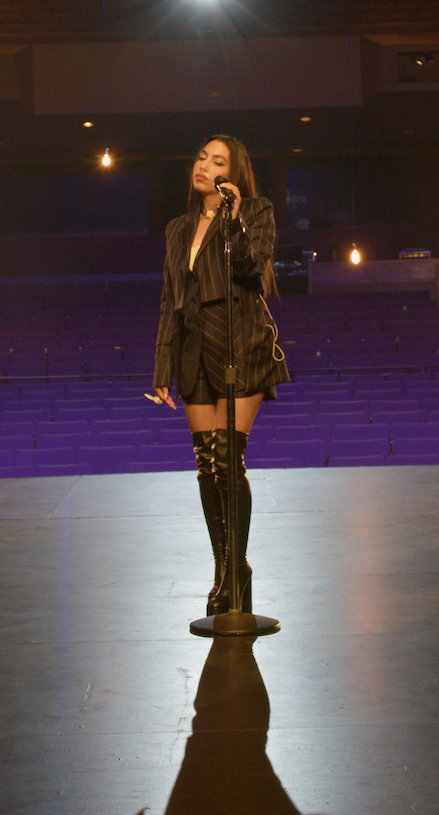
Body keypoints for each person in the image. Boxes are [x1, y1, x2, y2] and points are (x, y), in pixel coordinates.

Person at [152, 135, 291, 618]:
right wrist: (163, 367)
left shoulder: (255, 211)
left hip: (240, 342)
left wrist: (232, 216)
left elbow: (253, 272)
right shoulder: (177, 228)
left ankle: (235, 572)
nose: (203, 165)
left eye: (217, 160)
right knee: (206, 466)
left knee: (229, 461)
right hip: (193, 348)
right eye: (200, 157)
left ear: (233, 173)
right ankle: (225, 568)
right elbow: (171, 300)